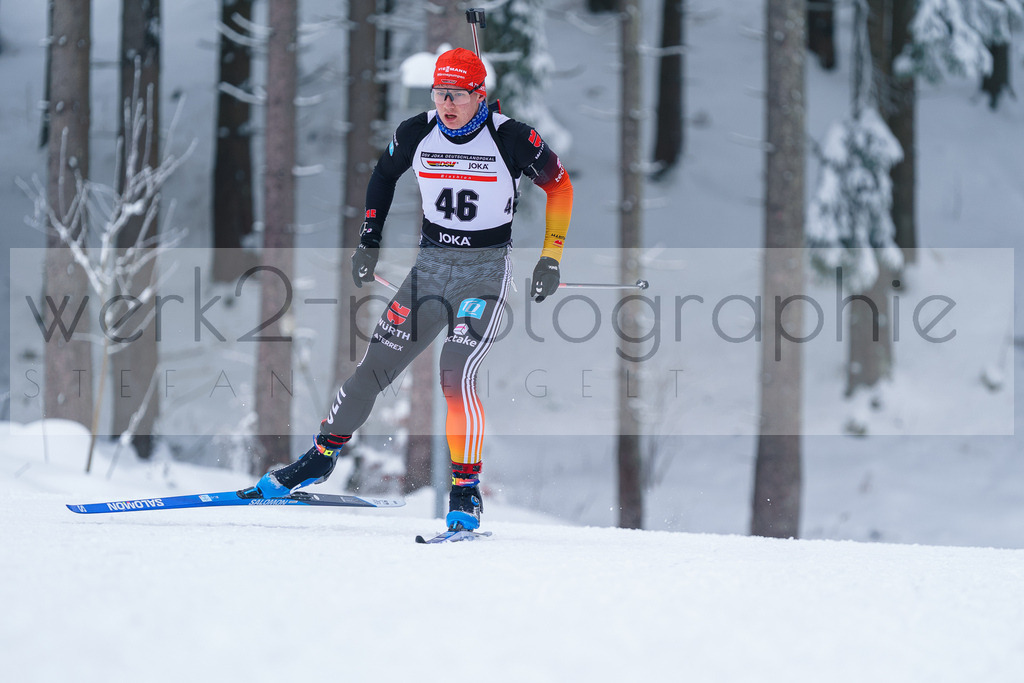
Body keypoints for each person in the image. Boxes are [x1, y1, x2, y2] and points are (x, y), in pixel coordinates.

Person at [243, 47, 573, 531]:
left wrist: (551, 256)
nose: (447, 104)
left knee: (455, 371)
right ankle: (320, 457)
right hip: (431, 270)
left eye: (458, 94)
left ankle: (466, 490)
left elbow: (560, 187)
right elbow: (382, 176)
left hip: (484, 272)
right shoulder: (416, 131)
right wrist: (368, 242)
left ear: (479, 95)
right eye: (440, 93)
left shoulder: (513, 138)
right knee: (373, 367)